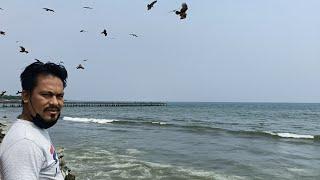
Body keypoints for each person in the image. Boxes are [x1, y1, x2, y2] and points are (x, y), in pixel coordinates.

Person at [0, 61, 68, 179]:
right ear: (26, 96)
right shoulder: (25, 142)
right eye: (46, 94)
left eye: (59, 96)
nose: (55, 102)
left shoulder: (35, 128)